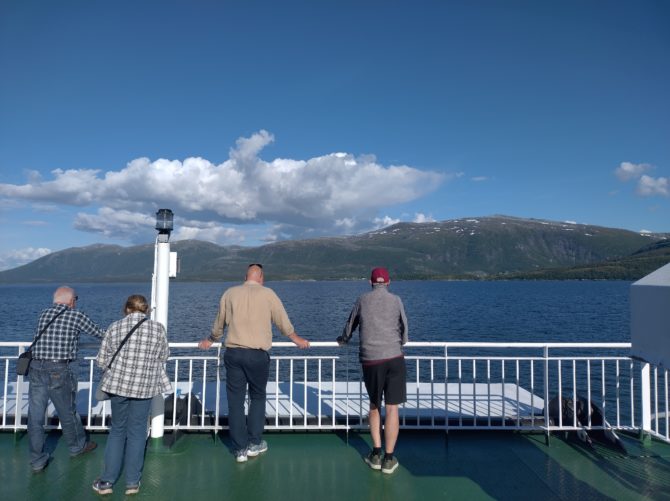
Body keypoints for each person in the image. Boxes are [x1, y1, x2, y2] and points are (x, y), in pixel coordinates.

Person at [198, 264, 310, 462]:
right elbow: (282, 321)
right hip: (258, 356)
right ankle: (254, 443)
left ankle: (240, 448)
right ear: (261, 277)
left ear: (246, 276)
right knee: (257, 397)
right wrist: (297, 339)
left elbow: (219, 324)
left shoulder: (229, 294)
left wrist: (210, 340)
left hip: (234, 354)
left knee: (235, 402)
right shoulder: (268, 294)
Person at [92, 294, 171, 496]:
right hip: (144, 387)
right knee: (137, 433)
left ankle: (107, 482)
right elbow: (164, 356)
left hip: (118, 386)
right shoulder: (157, 328)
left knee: (118, 431)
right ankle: (132, 483)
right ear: (145, 310)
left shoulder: (115, 327)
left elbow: (101, 360)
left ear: (126, 309)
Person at [337, 267, 408, 474]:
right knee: (392, 408)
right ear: (388, 282)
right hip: (394, 358)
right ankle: (389, 458)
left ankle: (375, 453)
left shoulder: (362, 300)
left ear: (370, 282)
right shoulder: (396, 300)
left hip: (371, 360)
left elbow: (350, 325)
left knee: (375, 406)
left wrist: (343, 339)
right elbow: (404, 328)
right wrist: (400, 343)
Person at [28, 286, 105, 473]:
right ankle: (77, 447)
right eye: (75, 299)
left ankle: (37, 460)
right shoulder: (76, 315)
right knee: (67, 412)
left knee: (35, 416)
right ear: (71, 301)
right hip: (59, 369)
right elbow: (100, 333)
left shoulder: (43, 314)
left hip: (36, 367)